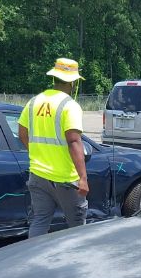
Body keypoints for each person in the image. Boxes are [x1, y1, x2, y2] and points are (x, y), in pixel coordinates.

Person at [18, 57, 89, 237]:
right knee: (77, 226)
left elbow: (22, 133)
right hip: (65, 179)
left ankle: (33, 258)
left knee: (40, 221)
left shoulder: (34, 101)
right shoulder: (69, 106)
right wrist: (83, 177)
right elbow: (74, 141)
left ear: (54, 78)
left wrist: (37, 153)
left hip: (38, 174)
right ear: (73, 82)